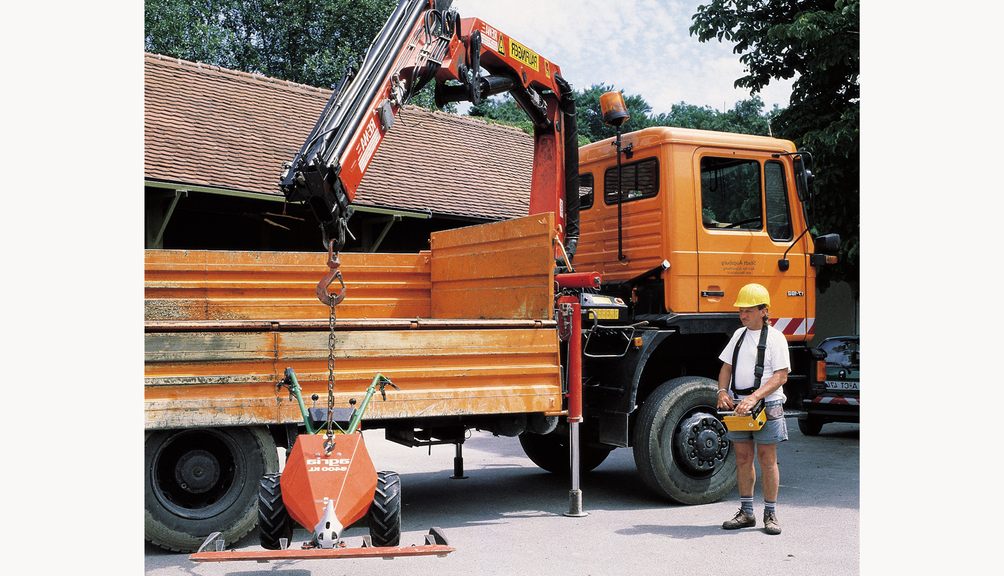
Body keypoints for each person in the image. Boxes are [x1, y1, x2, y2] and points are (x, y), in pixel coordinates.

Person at [716, 283, 790, 535]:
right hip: (740, 407)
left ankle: (770, 514)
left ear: (763, 311)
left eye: (748, 310)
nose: (743, 314)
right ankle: (747, 512)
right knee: (743, 459)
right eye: (741, 310)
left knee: (767, 460)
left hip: (767, 406)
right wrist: (722, 391)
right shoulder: (738, 335)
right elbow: (726, 367)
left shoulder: (776, 339)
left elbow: (781, 376)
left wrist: (754, 397)